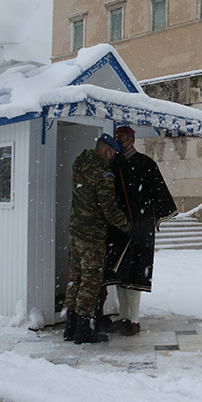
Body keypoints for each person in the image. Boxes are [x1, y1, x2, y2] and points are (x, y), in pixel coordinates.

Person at [102, 125, 178, 336]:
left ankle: (133, 319)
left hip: (140, 227)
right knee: (119, 271)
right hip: (118, 228)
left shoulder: (145, 163)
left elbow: (159, 193)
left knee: (135, 272)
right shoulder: (114, 164)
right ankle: (123, 315)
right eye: (118, 137)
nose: (120, 140)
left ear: (132, 139)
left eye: (124, 137)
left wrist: (154, 218)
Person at [63, 133, 132, 345]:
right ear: (106, 151)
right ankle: (83, 329)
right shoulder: (103, 172)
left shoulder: (80, 163)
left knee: (75, 278)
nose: (114, 158)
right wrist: (127, 227)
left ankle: (71, 325)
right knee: (90, 281)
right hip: (92, 236)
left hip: (76, 232)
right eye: (113, 154)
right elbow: (109, 209)